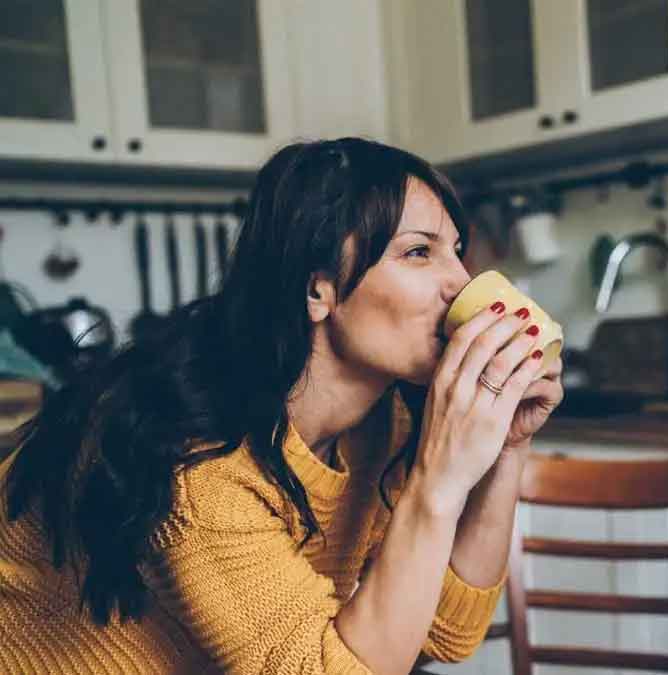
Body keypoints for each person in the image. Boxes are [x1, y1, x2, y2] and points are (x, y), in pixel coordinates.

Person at [0, 138, 563, 674]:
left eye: (456, 253)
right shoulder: (200, 462)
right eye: (419, 252)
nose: (461, 283)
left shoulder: (379, 428)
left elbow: (442, 633)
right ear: (318, 289)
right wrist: (438, 480)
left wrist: (508, 446)